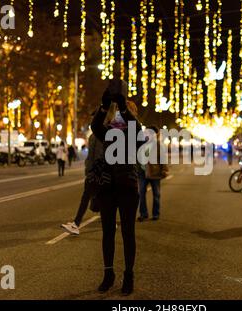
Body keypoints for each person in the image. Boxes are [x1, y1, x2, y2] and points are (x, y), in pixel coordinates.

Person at [91, 79, 144, 296]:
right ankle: (108, 273)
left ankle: (129, 275)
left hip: (127, 184)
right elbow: (95, 128)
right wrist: (103, 107)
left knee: (128, 232)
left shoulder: (132, 132)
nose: (119, 117)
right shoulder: (106, 130)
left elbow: (138, 133)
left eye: (124, 112)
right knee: (107, 233)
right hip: (107, 184)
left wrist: (124, 107)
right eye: (118, 113)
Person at [61, 132, 104, 235]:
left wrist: (91, 171)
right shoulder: (97, 134)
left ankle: (76, 224)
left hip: (96, 173)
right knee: (102, 198)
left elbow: (97, 156)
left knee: (87, 198)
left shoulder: (99, 135)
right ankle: (108, 222)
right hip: (97, 172)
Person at [137, 126, 169, 222]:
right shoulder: (141, 143)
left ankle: (156, 214)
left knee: (156, 194)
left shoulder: (159, 145)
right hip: (142, 172)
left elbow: (163, 158)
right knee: (141, 193)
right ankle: (143, 214)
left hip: (155, 172)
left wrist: (164, 169)